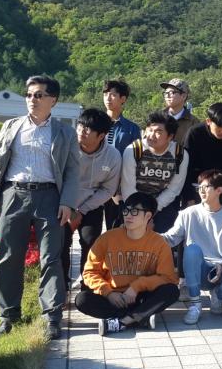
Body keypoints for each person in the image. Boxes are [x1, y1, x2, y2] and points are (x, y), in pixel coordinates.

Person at [0, 75, 79, 341]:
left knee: (51, 258)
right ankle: (8, 315)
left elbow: (73, 171)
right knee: (9, 256)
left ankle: (51, 317)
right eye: (29, 94)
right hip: (13, 194)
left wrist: (67, 202)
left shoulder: (65, 132)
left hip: (50, 197)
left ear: (53, 100)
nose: (32, 99)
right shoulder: (11, 126)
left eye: (38, 95)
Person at [75, 192, 179, 336]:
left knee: (171, 291)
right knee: (82, 299)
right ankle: (140, 317)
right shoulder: (107, 238)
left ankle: (122, 321)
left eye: (135, 211)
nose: (128, 215)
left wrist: (137, 286)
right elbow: (89, 272)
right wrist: (108, 292)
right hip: (112, 297)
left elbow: (168, 278)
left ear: (148, 216)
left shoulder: (159, 243)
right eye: (126, 210)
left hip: (140, 297)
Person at [162, 170, 222, 325]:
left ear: (219, 190)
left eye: (205, 187)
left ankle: (217, 295)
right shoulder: (188, 213)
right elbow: (171, 238)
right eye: (199, 187)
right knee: (192, 249)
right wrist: (149, 236)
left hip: (221, 270)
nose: (201, 190)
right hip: (198, 270)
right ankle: (195, 304)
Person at [63, 109, 121, 289]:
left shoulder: (112, 156)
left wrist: (82, 211)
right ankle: (62, 286)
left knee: (91, 242)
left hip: (91, 205)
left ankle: (87, 285)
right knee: (61, 243)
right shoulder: (66, 148)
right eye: (80, 126)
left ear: (101, 135)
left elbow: (108, 189)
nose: (81, 131)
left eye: (88, 129)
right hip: (64, 203)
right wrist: (69, 208)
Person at [119, 112, 189, 233]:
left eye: (158, 132)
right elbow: (128, 187)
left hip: (162, 204)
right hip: (132, 201)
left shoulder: (180, 154)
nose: (151, 135)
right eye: (150, 130)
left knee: (163, 236)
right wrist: (139, 213)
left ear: (170, 136)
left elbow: (174, 188)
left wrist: (151, 211)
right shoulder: (134, 150)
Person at [183, 103, 222, 211]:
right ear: (208, 121)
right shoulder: (195, 134)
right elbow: (186, 169)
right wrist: (189, 199)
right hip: (197, 187)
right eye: (218, 128)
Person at [102, 80, 141, 228]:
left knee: (114, 227)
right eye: (105, 94)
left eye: (112, 95)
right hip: (94, 183)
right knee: (90, 232)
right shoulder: (95, 124)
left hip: (118, 185)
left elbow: (136, 160)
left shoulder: (132, 129)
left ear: (123, 99)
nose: (108, 98)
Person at [161, 78, 201, 144]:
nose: (167, 95)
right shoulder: (158, 118)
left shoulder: (193, 122)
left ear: (183, 96)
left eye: (172, 92)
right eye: (166, 92)